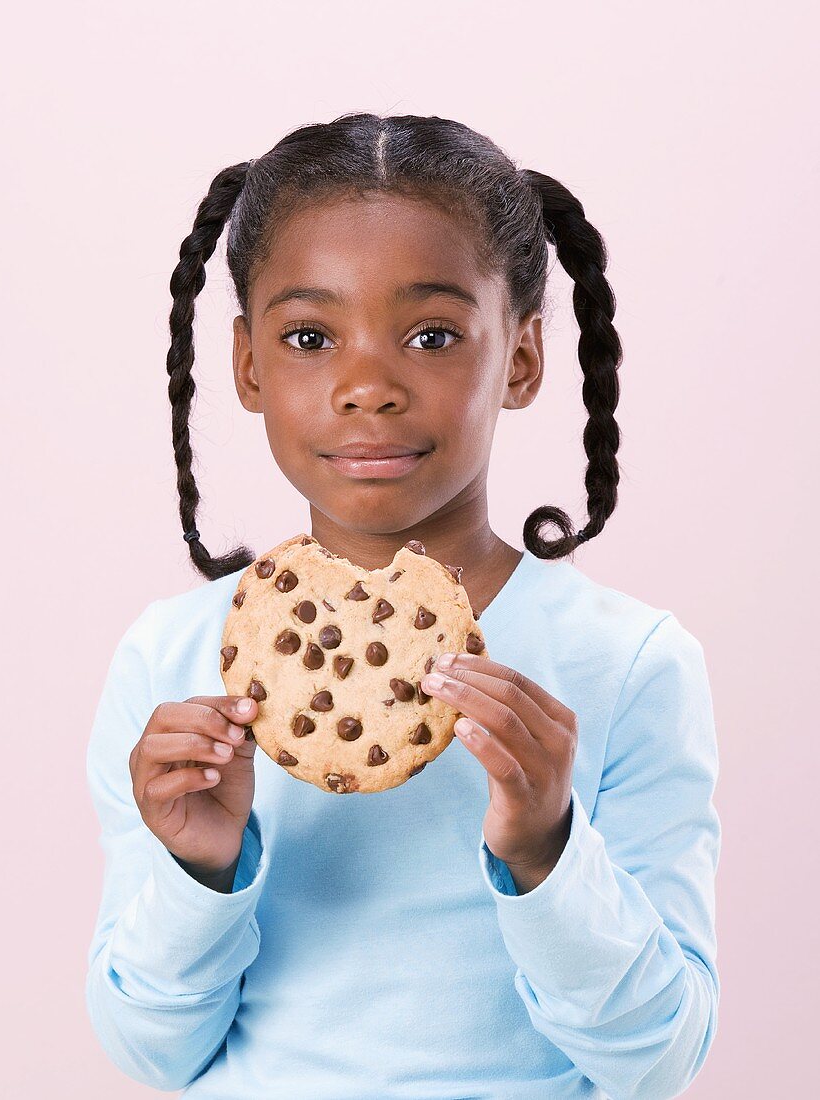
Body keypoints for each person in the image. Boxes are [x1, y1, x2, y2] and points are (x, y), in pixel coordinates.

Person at [85, 112, 721, 1098]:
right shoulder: (174, 660)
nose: (367, 385)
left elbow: (657, 1058)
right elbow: (150, 1049)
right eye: (308, 336)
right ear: (248, 363)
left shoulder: (630, 659)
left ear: (518, 357)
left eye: (431, 334)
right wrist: (198, 870)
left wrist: (546, 847)